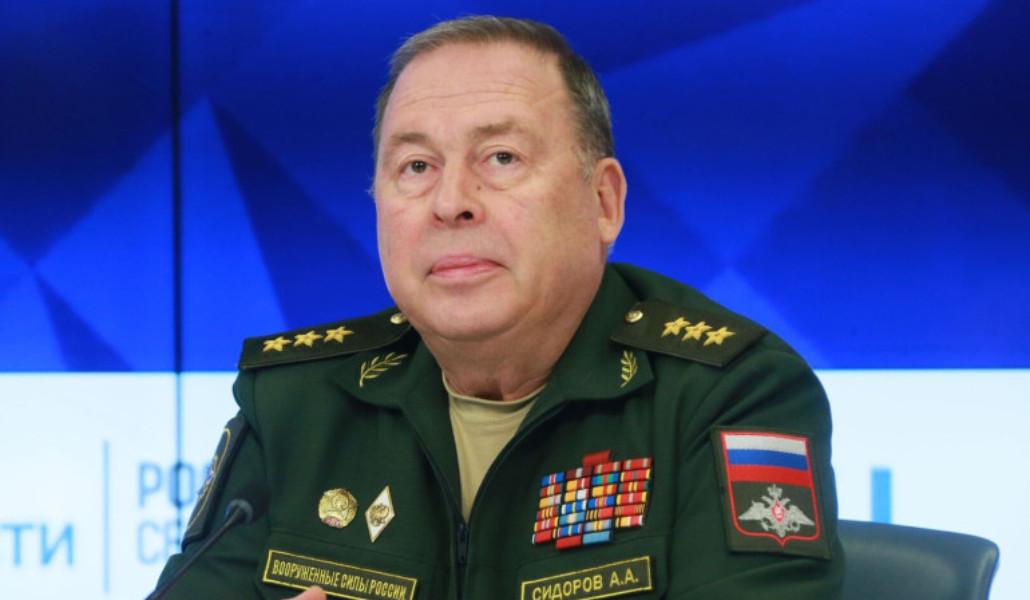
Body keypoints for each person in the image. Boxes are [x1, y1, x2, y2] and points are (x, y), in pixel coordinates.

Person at [155, 15, 844, 599]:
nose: (451, 201)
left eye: (502, 158)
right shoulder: (297, 403)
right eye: (416, 167)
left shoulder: (731, 394)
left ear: (603, 202)